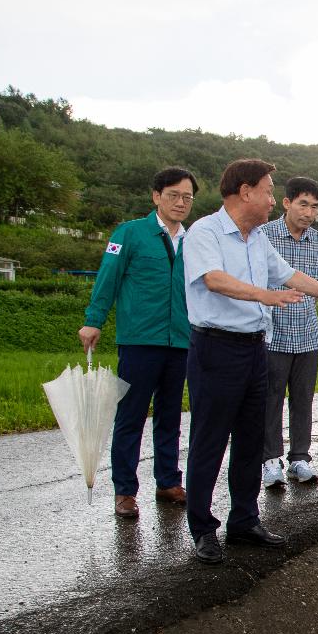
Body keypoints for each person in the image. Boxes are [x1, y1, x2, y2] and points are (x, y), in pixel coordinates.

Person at [182, 159, 318, 565]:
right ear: (245, 191)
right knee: (209, 441)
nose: (272, 199)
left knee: (253, 440)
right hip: (216, 348)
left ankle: (244, 521)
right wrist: (261, 295)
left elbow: (291, 277)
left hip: (255, 347)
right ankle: (202, 528)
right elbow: (212, 279)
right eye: (268, 191)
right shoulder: (206, 231)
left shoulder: (256, 240)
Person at [79, 167, 198, 518]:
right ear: (156, 196)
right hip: (139, 340)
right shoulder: (129, 234)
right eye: (174, 195)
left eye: (187, 197)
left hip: (181, 340)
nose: (180, 202)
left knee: (170, 415)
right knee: (131, 416)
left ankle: (168, 481)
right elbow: (108, 278)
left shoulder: (194, 241)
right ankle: (125, 491)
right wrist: (93, 320)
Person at [260, 176, 318, 488]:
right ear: (287, 202)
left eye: (314, 207)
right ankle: (270, 460)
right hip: (272, 333)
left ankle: (300, 458)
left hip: (307, 334)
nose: (308, 212)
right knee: (270, 398)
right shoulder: (263, 236)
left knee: (303, 398)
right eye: (303, 204)